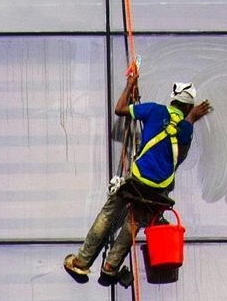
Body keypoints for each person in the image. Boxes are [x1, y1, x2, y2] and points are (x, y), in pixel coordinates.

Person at [64, 67, 211, 286]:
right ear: (189, 107)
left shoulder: (154, 110)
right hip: (159, 187)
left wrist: (130, 86)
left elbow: (119, 109)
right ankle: (111, 266)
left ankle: (82, 261)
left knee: (109, 212)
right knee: (134, 221)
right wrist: (191, 118)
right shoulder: (186, 128)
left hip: (139, 177)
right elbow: (180, 155)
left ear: (172, 100)